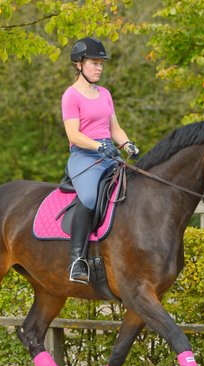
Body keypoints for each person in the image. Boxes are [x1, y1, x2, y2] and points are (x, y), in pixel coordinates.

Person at [62, 37, 139, 284]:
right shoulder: (71, 96)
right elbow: (73, 135)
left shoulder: (105, 93)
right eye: (94, 63)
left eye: (101, 64)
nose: (99, 68)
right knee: (89, 198)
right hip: (84, 157)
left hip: (109, 155)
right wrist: (98, 145)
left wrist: (127, 144)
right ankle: (78, 260)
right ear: (79, 64)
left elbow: (114, 128)